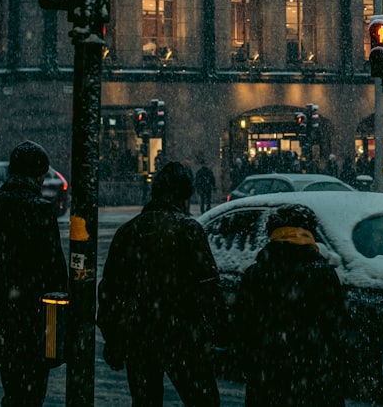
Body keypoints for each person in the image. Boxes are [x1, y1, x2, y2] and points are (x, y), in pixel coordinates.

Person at [97, 161, 222, 407]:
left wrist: (113, 339)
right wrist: (216, 329)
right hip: (184, 337)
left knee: (145, 401)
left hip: (140, 338)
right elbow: (208, 287)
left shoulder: (128, 232)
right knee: (203, 400)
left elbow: (110, 292)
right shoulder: (188, 230)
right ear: (183, 196)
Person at [0, 140, 68, 407]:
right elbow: (55, 271)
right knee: (33, 392)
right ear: (37, 175)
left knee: (12, 387)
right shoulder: (41, 210)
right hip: (34, 320)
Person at [234, 203, 346, 407]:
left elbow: (243, 331)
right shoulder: (324, 275)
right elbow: (337, 331)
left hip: (267, 382)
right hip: (316, 382)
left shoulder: (256, 274)